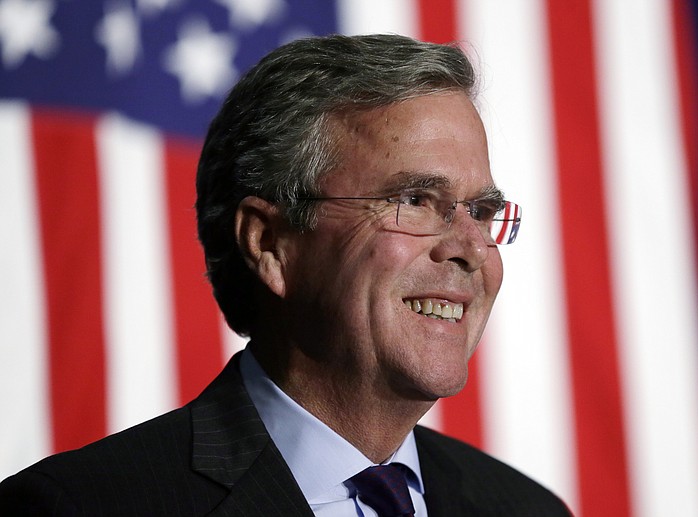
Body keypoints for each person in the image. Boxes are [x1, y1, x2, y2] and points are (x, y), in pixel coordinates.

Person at [0, 34, 570, 516]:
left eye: (482, 211)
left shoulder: (523, 507)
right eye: (416, 199)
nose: (472, 248)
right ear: (270, 244)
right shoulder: (82, 505)